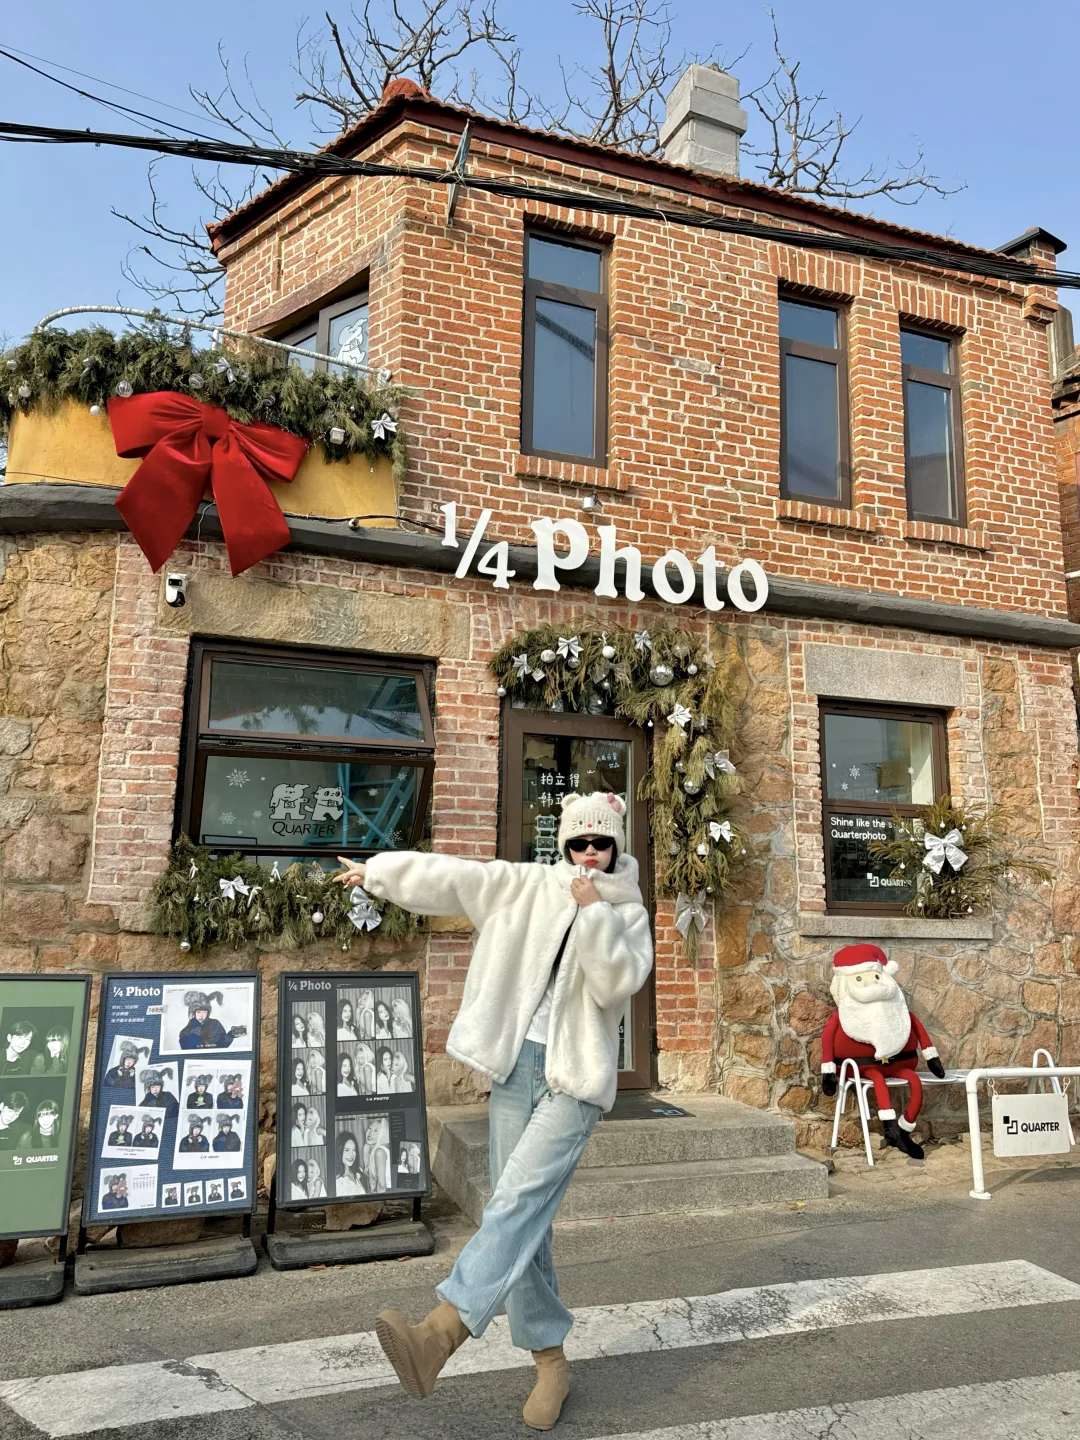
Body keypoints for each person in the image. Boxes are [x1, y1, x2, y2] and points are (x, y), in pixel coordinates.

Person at [335, 789, 652, 1430]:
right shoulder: (529, 885)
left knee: (515, 1204)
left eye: (601, 843)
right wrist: (382, 872)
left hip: (576, 1080)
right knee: (522, 1217)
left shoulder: (627, 913)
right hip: (517, 1069)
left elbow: (617, 982)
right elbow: (460, 879)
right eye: (577, 843)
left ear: (617, 847)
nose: (588, 855)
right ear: (562, 843)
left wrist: (591, 912)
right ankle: (551, 1364)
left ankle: (439, 1335)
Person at [820, 943, 947, 1161]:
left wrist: (931, 1057)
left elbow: (916, 1026)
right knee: (877, 1079)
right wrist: (828, 1071)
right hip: (863, 1067)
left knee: (915, 1082)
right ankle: (890, 1129)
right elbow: (827, 1038)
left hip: (899, 1063)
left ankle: (904, 1128)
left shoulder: (897, 1010)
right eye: (859, 979)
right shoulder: (843, 1014)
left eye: (876, 978)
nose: (873, 986)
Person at [178, 990, 247, 1050]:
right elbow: (188, 1049)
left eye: (205, 1012)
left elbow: (221, 1046)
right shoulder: (185, 1032)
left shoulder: (215, 1024)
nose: (202, 1015)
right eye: (198, 1012)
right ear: (192, 1013)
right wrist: (196, 1026)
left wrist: (231, 1034)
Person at [363, 1116, 391, 1192]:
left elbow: (382, 1186)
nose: (370, 1133)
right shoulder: (369, 1151)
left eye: (375, 1130)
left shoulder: (379, 1152)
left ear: (382, 1134)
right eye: (369, 1128)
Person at [335, 1130, 366, 1195]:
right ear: (339, 1152)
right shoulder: (337, 1181)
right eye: (347, 1150)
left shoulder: (358, 1172)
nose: (351, 1155)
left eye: (354, 1150)